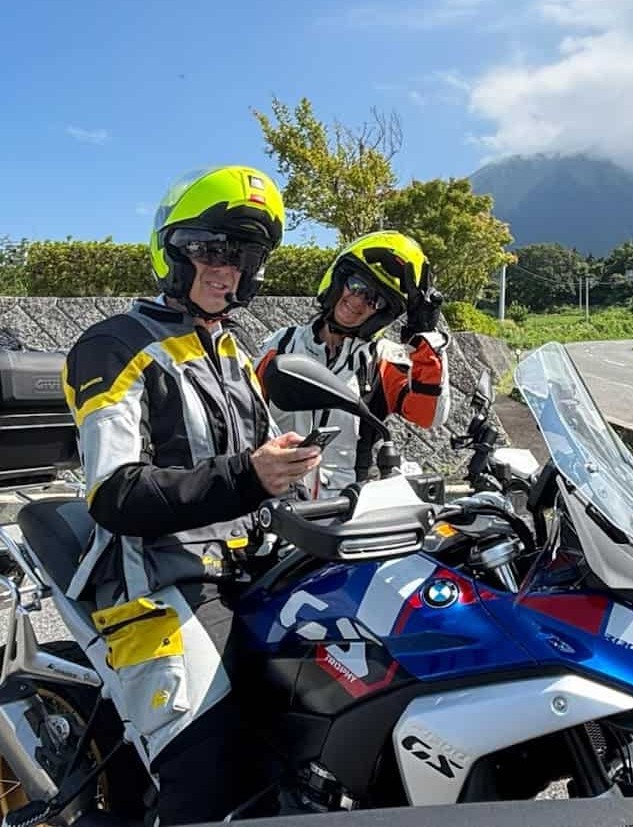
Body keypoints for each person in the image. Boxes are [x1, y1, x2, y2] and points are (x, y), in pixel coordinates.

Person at [61, 165, 321, 824]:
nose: (225, 269)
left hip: (247, 567)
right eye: (210, 249)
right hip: (154, 576)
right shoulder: (114, 346)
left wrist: (294, 471)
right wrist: (248, 476)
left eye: (242, 255)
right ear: (172, 252)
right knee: (215, 768)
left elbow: (253, 459)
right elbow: (114, 491)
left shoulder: (229, 350)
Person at [256, 231, 449, 496]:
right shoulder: (282, 344)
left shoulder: (383, 360)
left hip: (345, 504)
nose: (358, 301)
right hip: (275, 498)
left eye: (375, 300)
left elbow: (430, 415)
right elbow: (247, 413)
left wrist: (425, 336)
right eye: (356, 285)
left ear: (382, 314)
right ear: (339, 280)